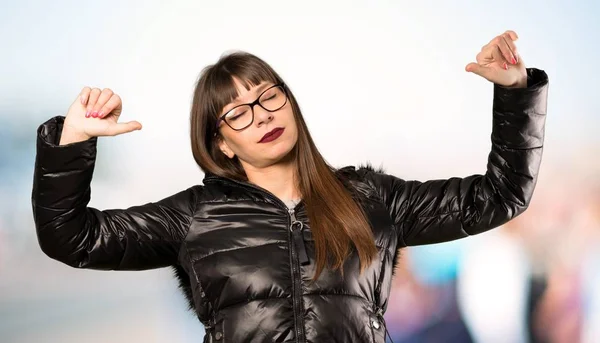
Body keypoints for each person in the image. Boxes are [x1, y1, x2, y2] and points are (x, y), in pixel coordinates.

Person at [31, 30, 549, 343]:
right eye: (237, 112)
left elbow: (500, 196)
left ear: (290, 102)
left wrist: (516, 94)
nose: (260, 116)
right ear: (222, 143)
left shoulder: (371, 198)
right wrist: (72, 141)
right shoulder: (195, 216)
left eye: (268, 97)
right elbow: (70, 237)